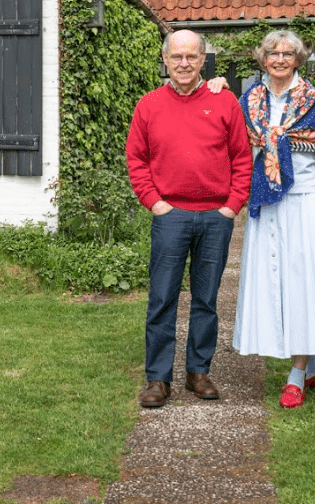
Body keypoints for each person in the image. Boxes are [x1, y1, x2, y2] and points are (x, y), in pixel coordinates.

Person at [213, 30, 315, 409]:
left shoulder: (312, 101)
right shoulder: (250, 100)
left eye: (288, 53)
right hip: (267, 204)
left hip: (305, 204)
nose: (280, 59)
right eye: (273, 52)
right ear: (263, 58)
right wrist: (217, 89)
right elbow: (228, 132)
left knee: (304, 285)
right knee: (274, 284)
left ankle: (296, 374)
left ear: (298, 59)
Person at [126, 29, 253, 408]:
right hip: (171, 215)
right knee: (162, 297)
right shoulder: (148, 105)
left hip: (215, 216)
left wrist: (232, 205)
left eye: (191, 57)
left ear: (202, 60)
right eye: (177, 57)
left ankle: (199, 371)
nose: (184, 63)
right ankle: (158, 378)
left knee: (206, 299)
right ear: (165, 60)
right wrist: (154, 202)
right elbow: (137, 159)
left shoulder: (225, 102)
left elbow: (242, 158)